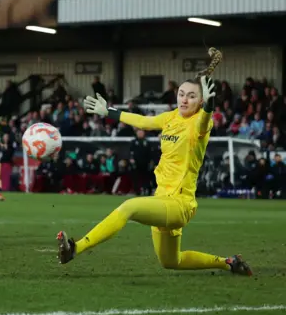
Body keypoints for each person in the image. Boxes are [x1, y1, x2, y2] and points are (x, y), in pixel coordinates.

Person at [57, 48, 252, 276]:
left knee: (128, 207)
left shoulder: (200, 122)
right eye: (181, 93)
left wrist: (209, 106)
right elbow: (142, 121)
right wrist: (108, 111)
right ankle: (228, 262)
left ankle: (76, 248)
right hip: (162, 200)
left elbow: (204, 122)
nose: (184, 99)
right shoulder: (170, 117)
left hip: (180, 204)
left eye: (191, 96)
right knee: (171, 261)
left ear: (200, 101)